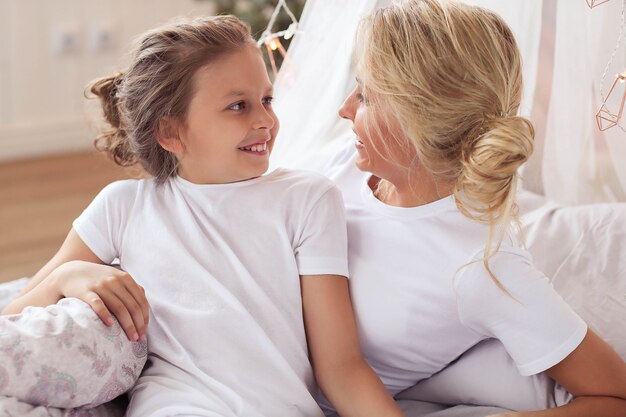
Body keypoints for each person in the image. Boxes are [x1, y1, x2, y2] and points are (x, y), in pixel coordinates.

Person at [2, 15, 404, 417]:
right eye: (237, 106)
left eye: (267, 100)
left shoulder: (309, 200)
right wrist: (65, 277)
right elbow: (15, 316)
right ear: (171, 133)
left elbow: (341, 368)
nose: (265, 120)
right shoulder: (122, 207)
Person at [321, 0, 626, 416]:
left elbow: (613, 396)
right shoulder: (345, 164)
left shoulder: (482, 267)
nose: (345, 109)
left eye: (366, 95)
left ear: (420, 119)